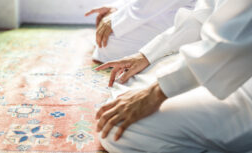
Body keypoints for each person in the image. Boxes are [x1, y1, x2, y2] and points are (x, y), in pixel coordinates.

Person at [94, 0, 252, 152]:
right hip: (220, 59)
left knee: (118, 128)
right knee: (129, 82)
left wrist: (156, 92)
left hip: (241, 77)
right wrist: (145, 56)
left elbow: (232, 45)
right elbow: (201, 16)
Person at [85, 0, 197, 63]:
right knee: (108, 38)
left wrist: (115, 20)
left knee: (110, 41)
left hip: (189, 14)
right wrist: (117, 8)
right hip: (165, 6)